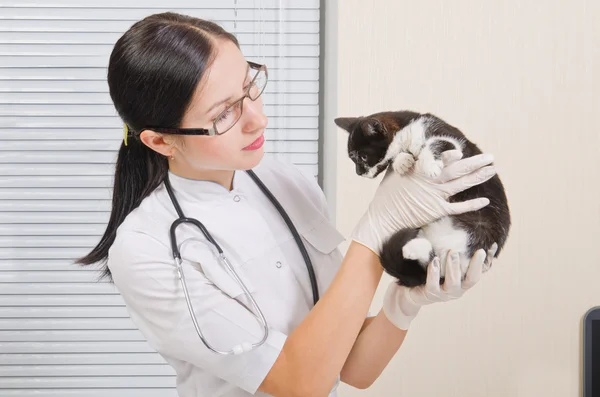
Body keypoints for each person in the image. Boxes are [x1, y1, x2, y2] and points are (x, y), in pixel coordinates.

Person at [76, 12, 498, 397]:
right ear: (160, 140)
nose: (256, 119)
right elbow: (299, 382)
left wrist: (403, 303)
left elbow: (351, 369)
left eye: (249, 87)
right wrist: (376, 232)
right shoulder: (145, 249)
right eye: (223, 114)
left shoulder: (283, 179)